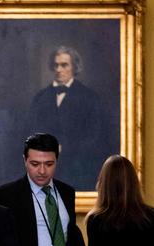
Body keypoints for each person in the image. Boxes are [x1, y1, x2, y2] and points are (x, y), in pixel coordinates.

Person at [27, 46, 113, 190]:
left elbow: (96, 136)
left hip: (79, 168)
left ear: (75, 67)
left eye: (64, 65)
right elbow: (31, 130)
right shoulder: (40, 98)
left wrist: (67, 148)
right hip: (44, 171)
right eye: (56, 65)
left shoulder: (89, 97)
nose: (58, 69)